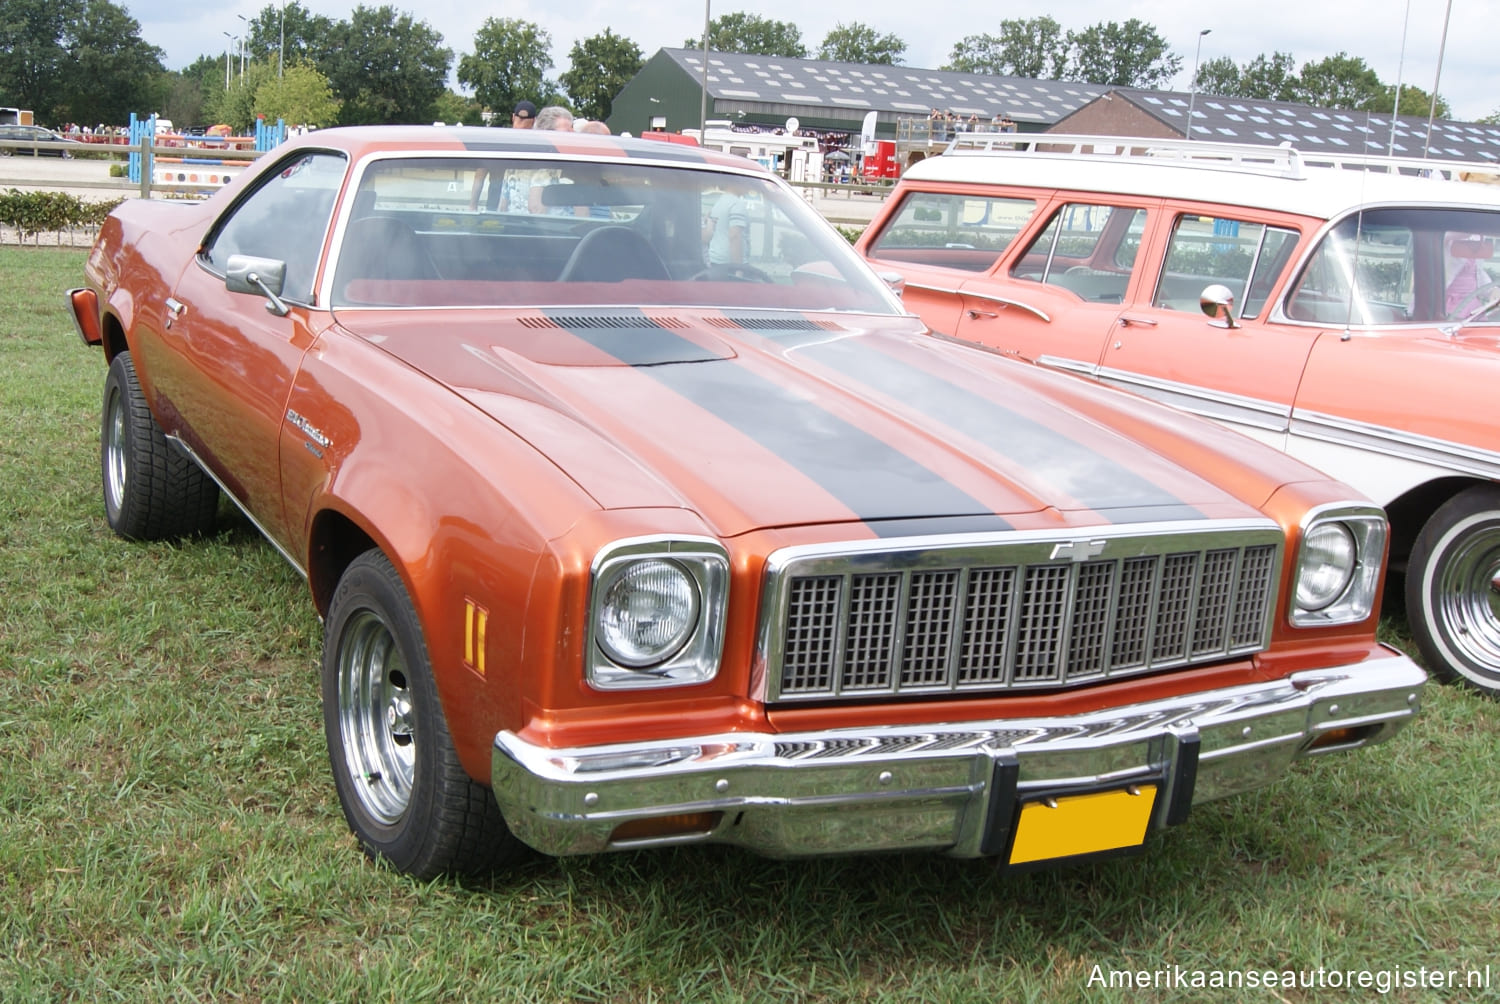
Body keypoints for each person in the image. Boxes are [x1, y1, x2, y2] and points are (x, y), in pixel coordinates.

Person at [471, 100, 540, 211]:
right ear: (534, 120)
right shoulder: (538, 146)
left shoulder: (498, 142)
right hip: (524, 208)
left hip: (496, 202)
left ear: (513, 117)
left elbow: (480, 175)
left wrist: (473, 206)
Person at [704, 186, 748, 266]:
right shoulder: (737, 204)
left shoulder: (719, 203)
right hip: (730, 266)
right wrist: (739, 269)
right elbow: (735, 236)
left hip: (714, 261)